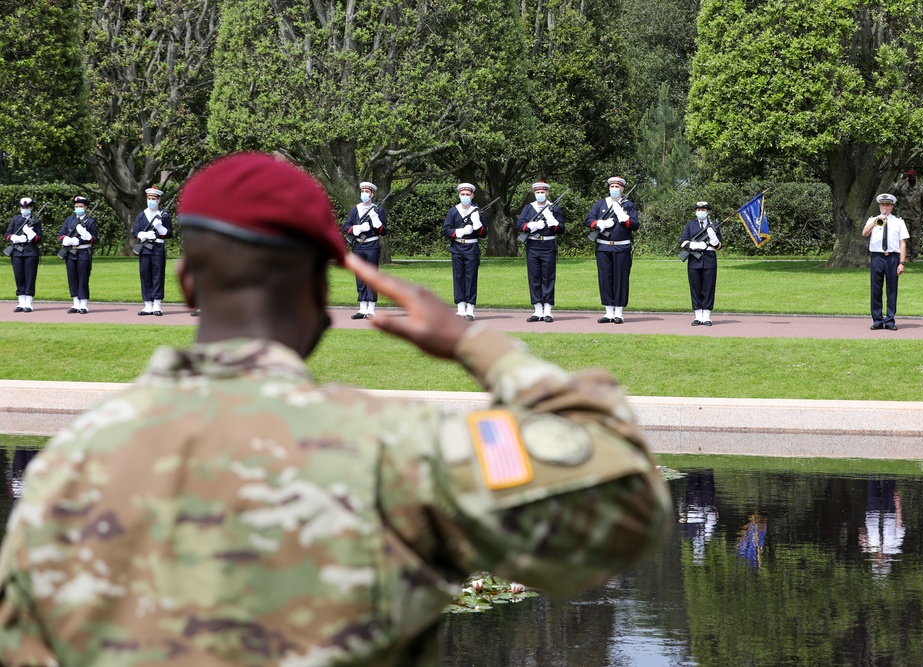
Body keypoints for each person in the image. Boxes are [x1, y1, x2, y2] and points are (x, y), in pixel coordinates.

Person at [0, 152, 671, 666]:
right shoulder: (397, 446)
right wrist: (482, 345)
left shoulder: (63, 470)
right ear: (324, 285)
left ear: (185, 283)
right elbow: (627, 500)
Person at [585, 176, 639, 323]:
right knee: (605, 279)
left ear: (622, 189)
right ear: (609, 188)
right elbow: (588, 220)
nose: (615, 189)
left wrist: (623, 216)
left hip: (622, 247)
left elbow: (635, 224)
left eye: (618, 187)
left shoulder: (627, 205)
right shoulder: (601, 203)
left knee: (621, 279)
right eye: (612, 187)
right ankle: (608, 311)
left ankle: (619, 312)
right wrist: (600, 223)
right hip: (603, 247)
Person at [516, 180, 564, 322]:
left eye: (543, 192)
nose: (540, 194)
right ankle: (537, 309)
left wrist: (552, 221)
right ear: (534, 193)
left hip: (548, 246)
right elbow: (519, 225)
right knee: (534, 277)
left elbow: (561, 229)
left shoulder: (554, 209)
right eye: (538, 192)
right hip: (533, 245)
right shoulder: (529, 208)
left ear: (547, 193)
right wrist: (532, 225)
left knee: (548, 277)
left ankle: (548, 310)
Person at [862, 193, 908, 331]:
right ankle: (877, 319)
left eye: (888, 205)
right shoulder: (873, 219)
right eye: (883, 205)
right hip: (877, 256)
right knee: (876, 289)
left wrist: (902, 262)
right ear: (879, 206)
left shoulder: (898, 221)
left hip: (892, 257)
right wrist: (877, 220)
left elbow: (902, 243)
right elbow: (864, 233)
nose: (885, 207)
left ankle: (889, 320)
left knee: (891, 289)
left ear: (892, 206)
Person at [443, 182, 488, 320]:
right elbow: (446, 229)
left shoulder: (477, 212)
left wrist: (477, 224)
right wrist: (460, 231)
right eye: (463, 194)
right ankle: (460, 309)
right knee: (458, 277)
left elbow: (484, 233)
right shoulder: (453, 211)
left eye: (468, 194)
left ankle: (470, 310)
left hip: (472, 248)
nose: (465, 197)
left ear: (472, 195)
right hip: (457, 248)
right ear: (459, 195)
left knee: (471, 278)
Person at [342, 181, 386, 319]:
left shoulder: (378, 210)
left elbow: (383, 231)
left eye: (367, 192)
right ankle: (362, 307)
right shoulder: (355, 209)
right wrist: (357, 229)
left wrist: (375, 220)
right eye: (363, 191)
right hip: (358, 246)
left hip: (372, 245)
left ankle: (371, 308)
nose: (364, 194)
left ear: (372, 194)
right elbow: (345, 228)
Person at [679, 201, 722, 326]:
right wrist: (695, 245)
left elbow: (719, 246)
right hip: (694, 259)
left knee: (708, 288)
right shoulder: (690, 225)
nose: (701, 212)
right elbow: (683, 241)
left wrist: (713, 238)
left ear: (707, 212)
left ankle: (707, 316)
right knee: (695, 287)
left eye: (703, 210)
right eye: (698, 210)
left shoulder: (713, 226)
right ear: (695, 212)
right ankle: (698, 316)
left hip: (709, 259)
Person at [132, 187, 173, 316]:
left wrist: (160, 228)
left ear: (158, 200)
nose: (151, 201)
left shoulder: (164, 215)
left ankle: (157, 304)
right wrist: (143, 235)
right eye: (149, 198)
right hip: (145, 249)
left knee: (158, 275)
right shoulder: (141, 215)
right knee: (145, 275)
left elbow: (170, 233)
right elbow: (135, 231)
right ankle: (147, 305)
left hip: (157, 249)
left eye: (153, 199)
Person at [57, 195, 99, 314]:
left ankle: (84, 304)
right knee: (72, 278)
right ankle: (75, 303)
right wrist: (65, 240)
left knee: (83, 278)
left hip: (83, 252)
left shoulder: (90, 221)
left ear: (85, 207)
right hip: (70, 252)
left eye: (81, 206)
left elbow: (95, 239)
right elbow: (61, 234)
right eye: (76, 206)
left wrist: (85, 236)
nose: (78, 208)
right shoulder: (69, 220)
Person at [4, 197, 42, 313]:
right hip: (16, 252)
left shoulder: (36, 221)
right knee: (19, 276)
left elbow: (39, 238)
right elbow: (7, 235)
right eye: (23, 207)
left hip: (30, 252)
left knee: (30, 277)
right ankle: (21, 302)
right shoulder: (15, 220)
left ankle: (28, 302)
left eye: (27, 207)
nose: (25, 209)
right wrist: (15, 238)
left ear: (31, 208)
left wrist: (30, 233)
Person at [891, 169, 923, 260]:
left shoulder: (921, 188)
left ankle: (914, 256)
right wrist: (900, 184)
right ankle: (906, 256)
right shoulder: (903, 187)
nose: (911, 178)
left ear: (915, 177)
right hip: (904, 216)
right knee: (904, 237)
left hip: (916, 216)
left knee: (915, 238)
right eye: (909, 177)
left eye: (912, 177)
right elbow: (893, 194)